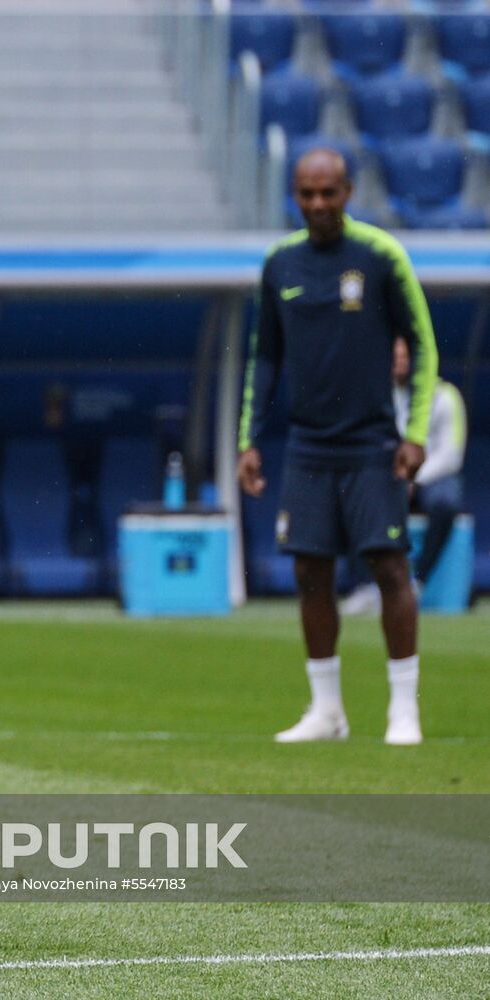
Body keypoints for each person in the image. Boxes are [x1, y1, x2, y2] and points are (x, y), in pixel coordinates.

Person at [237, 148, 438, 747]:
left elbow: (422, 346)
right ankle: (327, 711)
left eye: (328, 193)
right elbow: (263, 356)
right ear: (294, 196)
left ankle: (404, 710)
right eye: (307, 194)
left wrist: (416, 434)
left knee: (389, 568)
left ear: (348, 191)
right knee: (308, 571)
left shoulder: (380, 256)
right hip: (307, 446)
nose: (318, 204)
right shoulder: (279, 263)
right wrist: (249, 439)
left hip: (374, 443)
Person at [342, 337, 467, 614]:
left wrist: (415, 478)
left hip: (429, 477)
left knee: (445, 502)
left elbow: (451, 455)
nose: (399, 363)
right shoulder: (377, 395)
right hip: (390, 476)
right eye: (394, 356)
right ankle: (365, 586)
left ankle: (417, 582)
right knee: (353, 495)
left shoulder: (444, 397)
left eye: (405, 356)